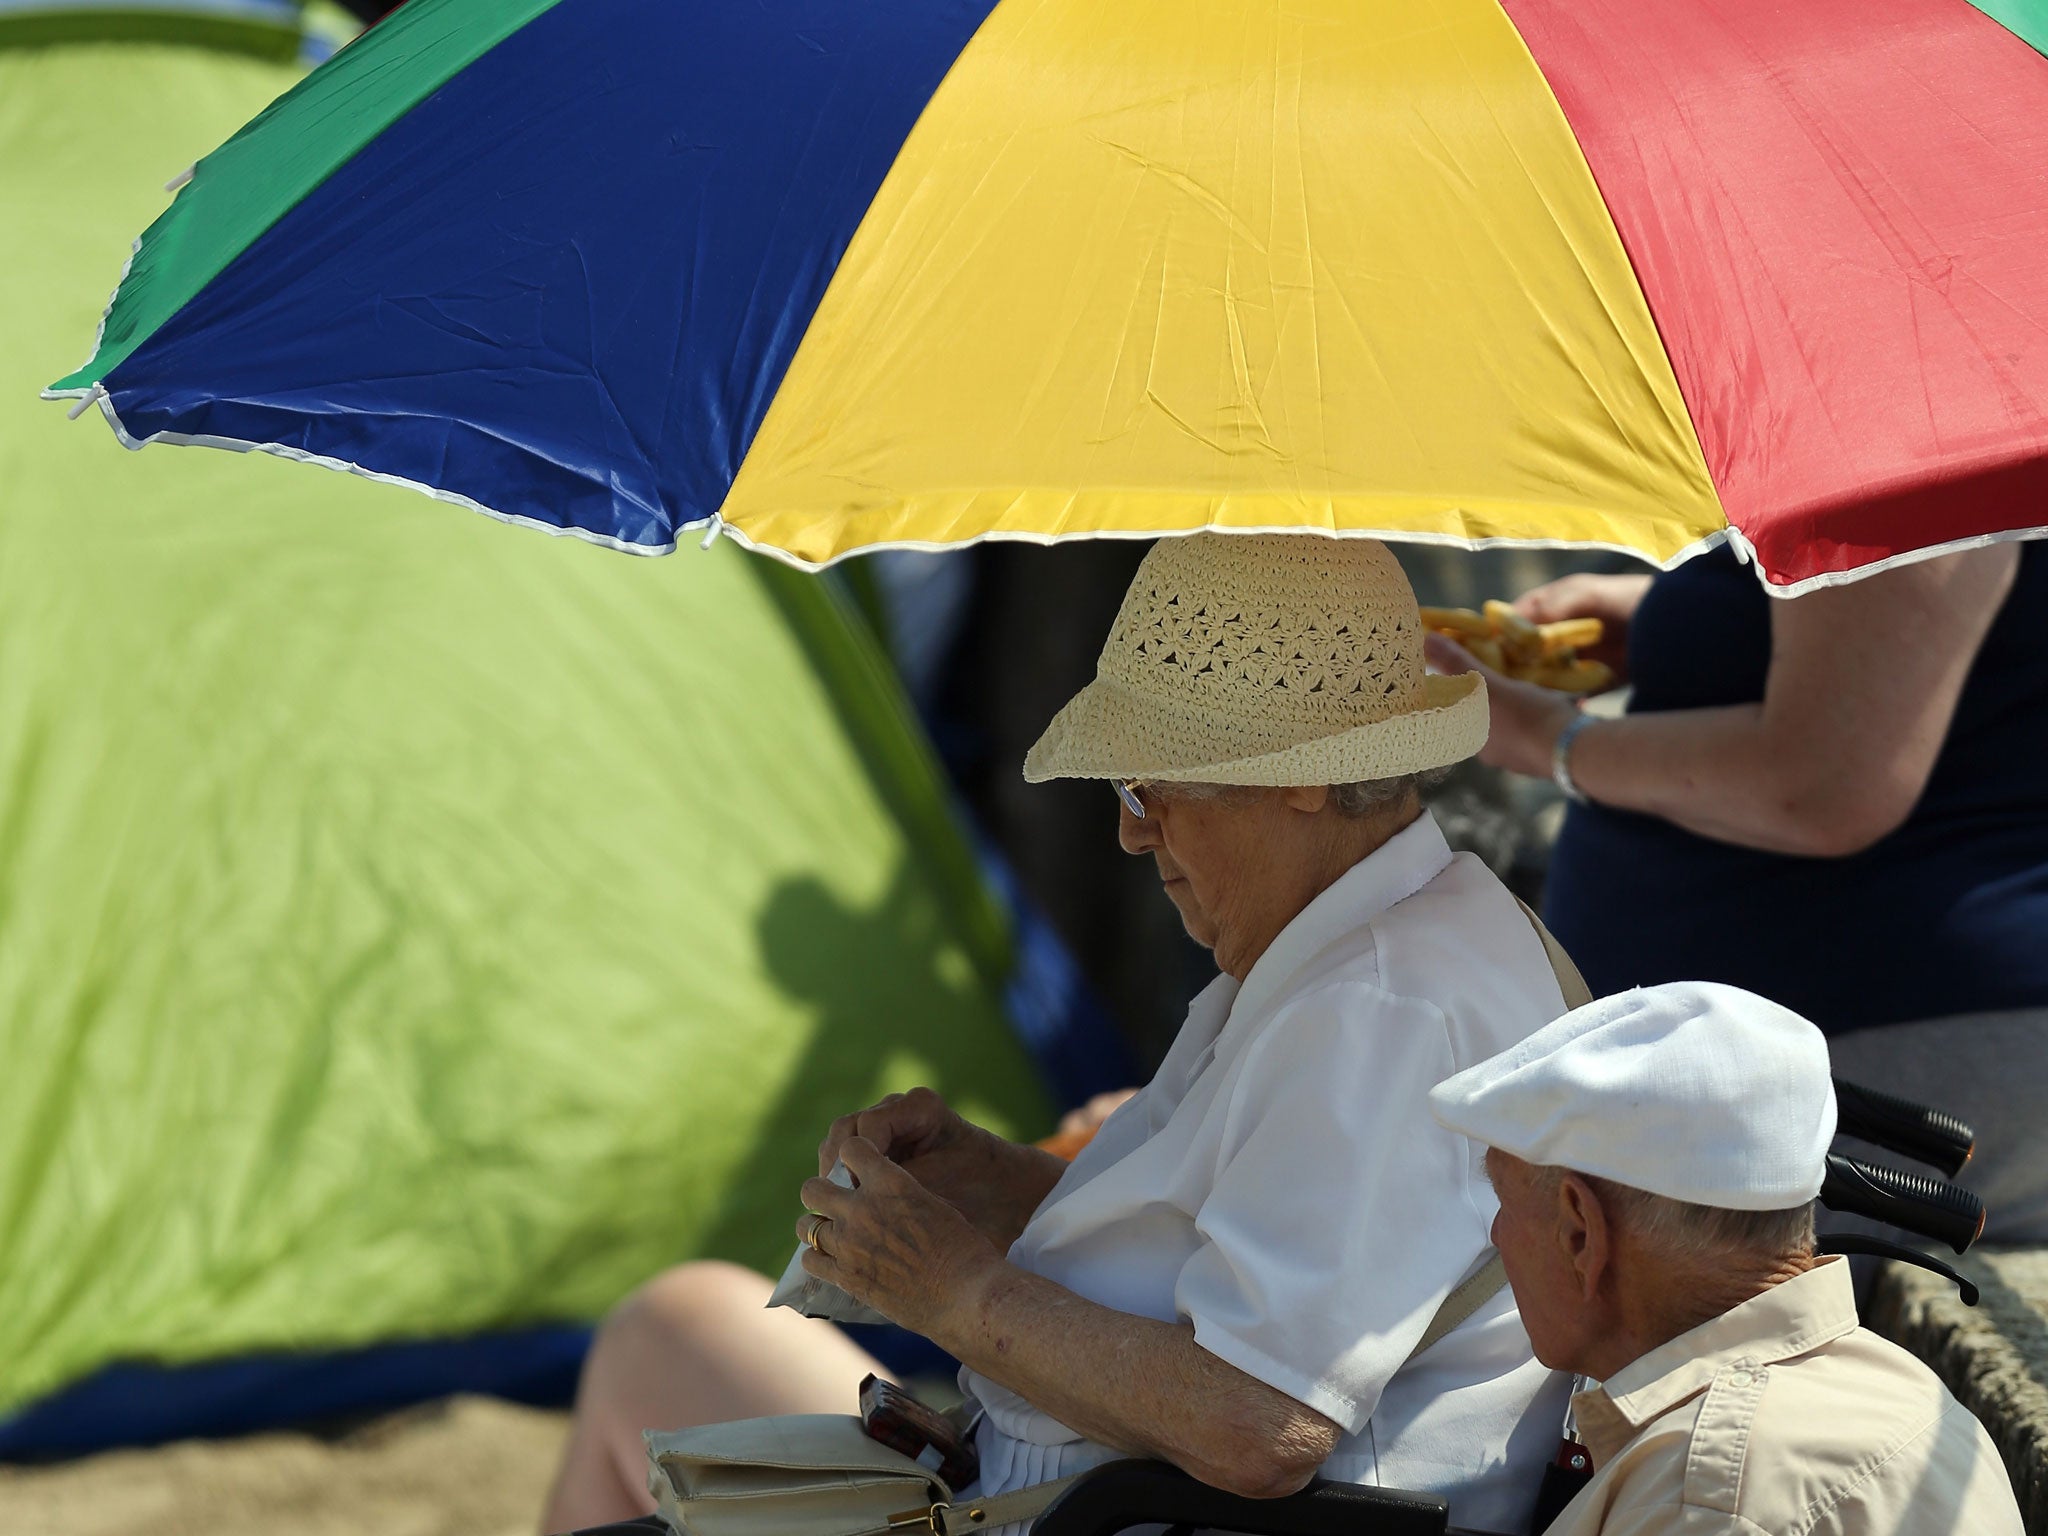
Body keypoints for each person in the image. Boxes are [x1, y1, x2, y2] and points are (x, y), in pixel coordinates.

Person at [542, 534, 1576, 1534]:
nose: (1132, 829)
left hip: (1113, 1515)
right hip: (1085, 1501)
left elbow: (1262, 1424)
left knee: (664, 1347)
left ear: (1300, 775)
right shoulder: (1378, 948)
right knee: (665, 1349)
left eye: (1148, 784)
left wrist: (954, 1289)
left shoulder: (1380, 1007)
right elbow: (1259, 1256)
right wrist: (1009, 1190)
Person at [1425, 542, 2048, 1242]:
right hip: (1830, 1044)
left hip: (1883, 1037)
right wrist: (1679, 615)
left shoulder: (1907, 447)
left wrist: (1550, 741)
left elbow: (1819, 788)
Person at [1429, 980, 2026, 1535]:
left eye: (1503, 1202)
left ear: (1582, 1234)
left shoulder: (1704, 1499)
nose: (1499, 1236)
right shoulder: (1913, 1394)